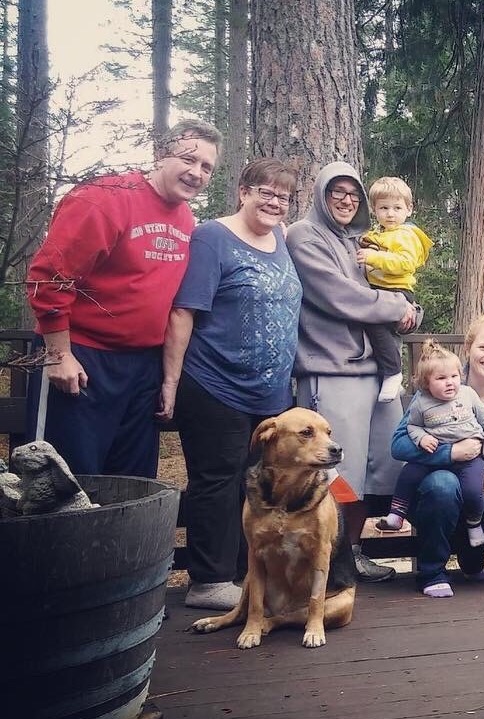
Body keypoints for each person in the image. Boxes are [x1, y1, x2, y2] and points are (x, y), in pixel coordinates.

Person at [25, 119, 221, 478]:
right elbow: (49, 276)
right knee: (66, 480)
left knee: (132, 481)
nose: (196, 173)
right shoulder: (105, 197)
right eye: (188, 159)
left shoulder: (185, 218)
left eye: (206, 167)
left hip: (142, 367)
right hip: (83, 358)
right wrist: (58, 355)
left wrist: (166, 377)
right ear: (161, 154)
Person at [158, 159, 301, 610]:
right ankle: (209, 580)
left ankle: (248, 574)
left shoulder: (280, 239)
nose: (274, 202)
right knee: (217, 481)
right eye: (265, 192)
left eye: (282, 196)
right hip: (216, 384)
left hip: (271, 394)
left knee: (259, 484)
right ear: (243, 192)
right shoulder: (212, 238)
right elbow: (184, 311)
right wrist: (170, 381)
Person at [287, 162, 419, 583]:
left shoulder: (360, 242)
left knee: (375, 469)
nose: (346, 200)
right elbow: (340, 296)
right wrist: (397, 307)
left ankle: (352, 552)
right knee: (332, 472)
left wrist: (411, 310)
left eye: (352, 194)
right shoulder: (304, 236)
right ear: (321, 195)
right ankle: (323, 560)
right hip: (332, 371)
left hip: (375, 373)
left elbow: (391, 287)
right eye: (336, 192)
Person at [390, 314, 484, 598]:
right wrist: (449, 452)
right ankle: (431, 572)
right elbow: (399, 444)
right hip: (441, 481)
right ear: (468, 349)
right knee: (443, 486)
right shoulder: (437, 384)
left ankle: (469, 549)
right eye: (482, 347)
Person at [377, 339, 484, 550]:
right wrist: (421, 438)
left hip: (470, 459)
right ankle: (396, 514)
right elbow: (412, 427)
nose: (449, 382)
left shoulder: (467, 394)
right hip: (435, 459)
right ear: (426, 383)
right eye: (441, 378)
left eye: (454, 376)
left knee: (473, 490)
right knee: (409, 474)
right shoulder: (421, 402)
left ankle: (474, 524)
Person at [355, 176, 431, 403]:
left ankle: (393, 373)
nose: (390, 214)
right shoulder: (379, 234)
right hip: (380, 289)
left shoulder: (406, 235)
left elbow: (406, 263)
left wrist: (374, 257)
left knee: (377, 325)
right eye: (384, 208)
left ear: (409, 209)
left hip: (397, 291)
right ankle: (387, 374)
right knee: (377, 331)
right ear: (374, 210)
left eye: (397, 208)